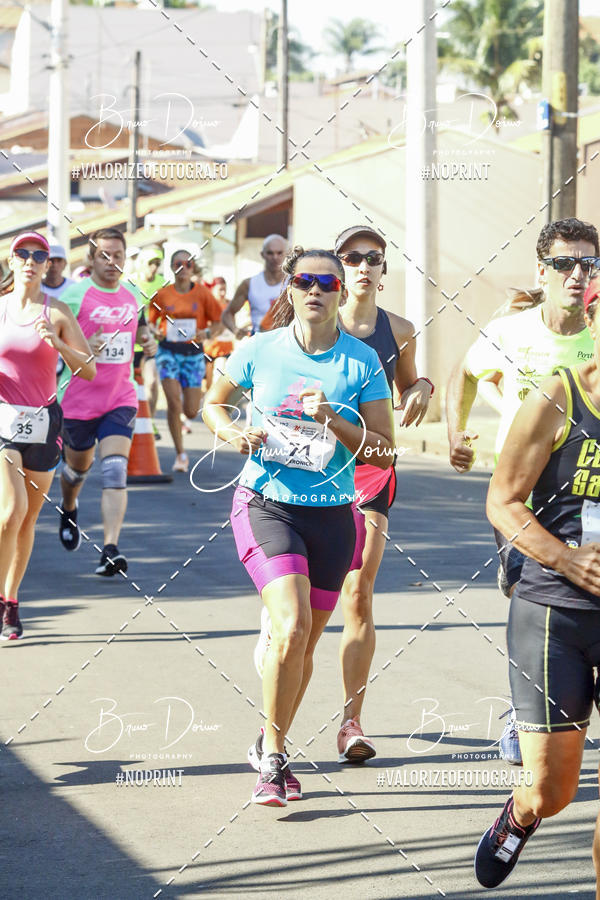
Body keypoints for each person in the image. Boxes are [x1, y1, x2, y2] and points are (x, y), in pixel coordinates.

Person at [203, 245, 394, 806]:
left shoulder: (360, 363)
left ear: (343, 293)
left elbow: (383, 452)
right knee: (289, 627)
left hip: (334, 515)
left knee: (305, 640)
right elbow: (214, 404)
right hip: (266, 503)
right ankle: (275, 761)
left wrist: (331, 418)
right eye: (305, 280)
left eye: (327, 283)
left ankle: (269, 736)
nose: (316, 290)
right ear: (289, 289)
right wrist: (235, 435)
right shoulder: (260, 350)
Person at [446, 217, 599, 763]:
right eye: (564, 264)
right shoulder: (509, 333)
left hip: (584, 490)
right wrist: (456, 434)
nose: (577, 274)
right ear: (543, 270)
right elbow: (463, 374)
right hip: (521, 495)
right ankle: (528, 710)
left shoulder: (596, 338)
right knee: (528, 591)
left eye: (588, 263)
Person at [474, 275, 600, 892]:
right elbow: (502, 501)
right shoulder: (558, 397)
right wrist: (565, 559)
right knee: (555, 790)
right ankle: (521, 812)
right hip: (555, 612)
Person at [334, 224, 434, 763]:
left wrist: (422, 388)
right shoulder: (314, 320)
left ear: (384, 268)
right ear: (339, 265)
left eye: (374, 258)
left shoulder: (400, 329)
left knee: (358, 593)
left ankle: (352, 722)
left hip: (370, 469)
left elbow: (410, 384)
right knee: (296, 608)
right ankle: (274, 719)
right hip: (308, 473)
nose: (364, 267)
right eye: (353, 258)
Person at [0, 231, 95, 640]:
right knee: (11, 511)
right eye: (23, 253)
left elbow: (88, 368)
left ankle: (11, 599)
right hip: (3, 420)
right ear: (11, 258)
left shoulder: (56, 312)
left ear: (48, 264)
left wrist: (58, 343)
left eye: (39, 255)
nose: (30, 261)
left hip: (44, 422)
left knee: (28, 520)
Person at [57, 227, 156, 576]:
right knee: (76, 471)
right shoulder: (74, 296)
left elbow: (140, 332)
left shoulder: (132, 295)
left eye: (118, 255)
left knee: (115, 469)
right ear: (91, 258)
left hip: (120, 398)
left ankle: (110, 549)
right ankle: (69, 507)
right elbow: (51, 343)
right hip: (78, 401)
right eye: (104, 255)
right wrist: (84, 344)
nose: (112, 261)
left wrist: (148, 340)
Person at [149, 250, 224, 472]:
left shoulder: (202, 294)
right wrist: (156, 332)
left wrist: (207, 334)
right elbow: (150, 323)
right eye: (178, 263)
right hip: (168, 352)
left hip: (193, 354)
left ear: (193, 268)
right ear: (172, 267)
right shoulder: (162, 294)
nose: (183, 267)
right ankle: (180, 454)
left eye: (187, 263)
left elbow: (218, 322)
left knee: (191, 411)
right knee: (173, 403)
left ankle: (186, 416)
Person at [128, 245, 166, 435]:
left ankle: (149, 422)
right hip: (127, 345)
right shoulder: (129, 283)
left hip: (151, 343)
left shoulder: (164, 283)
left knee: (151, 383)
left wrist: (161, 328)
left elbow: (169, 312)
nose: (154, 267)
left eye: (157, 264)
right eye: (151, 263)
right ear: (142, 263)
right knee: (130, 388)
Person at [221, 234, 287, 337]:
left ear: (287, 254)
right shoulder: (249, 284)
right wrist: (235, 330)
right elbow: (227, 314)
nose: (275, 257)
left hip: (287, 345)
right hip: (259, 343)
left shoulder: (295, 283)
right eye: (270, 253)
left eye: (279, 253)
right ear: (262, 254)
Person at [203, 277, 235, 390]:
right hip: (208, 350)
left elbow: (234, 325)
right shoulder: (207, 305)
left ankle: (217, 404)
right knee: (207, 385)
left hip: (224, 350)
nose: (223, 293)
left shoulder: (230, 305)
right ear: (212, 290)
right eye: (220, 289)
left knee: (218, 379)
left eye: (224, 289)